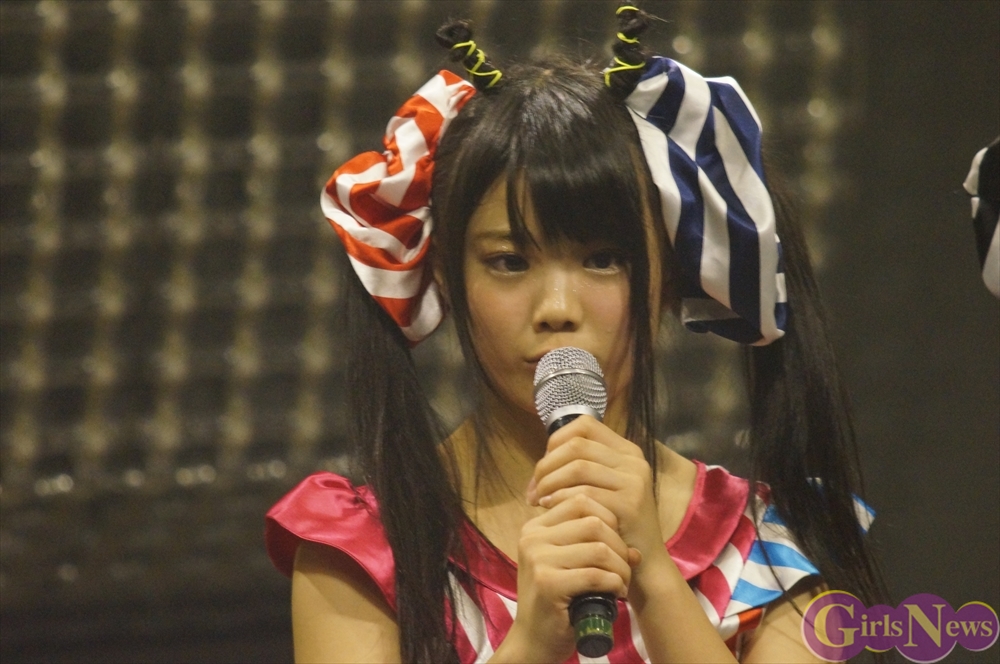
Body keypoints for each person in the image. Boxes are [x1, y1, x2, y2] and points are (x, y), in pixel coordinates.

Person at [265, 4, 886, 662]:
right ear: (445, 274)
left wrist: (654, 577)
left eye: (603, 260)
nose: (557, 308)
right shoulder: (360, 547)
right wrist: (532, 641)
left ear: (670, 275)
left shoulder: (781, 549)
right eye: (509, 262)